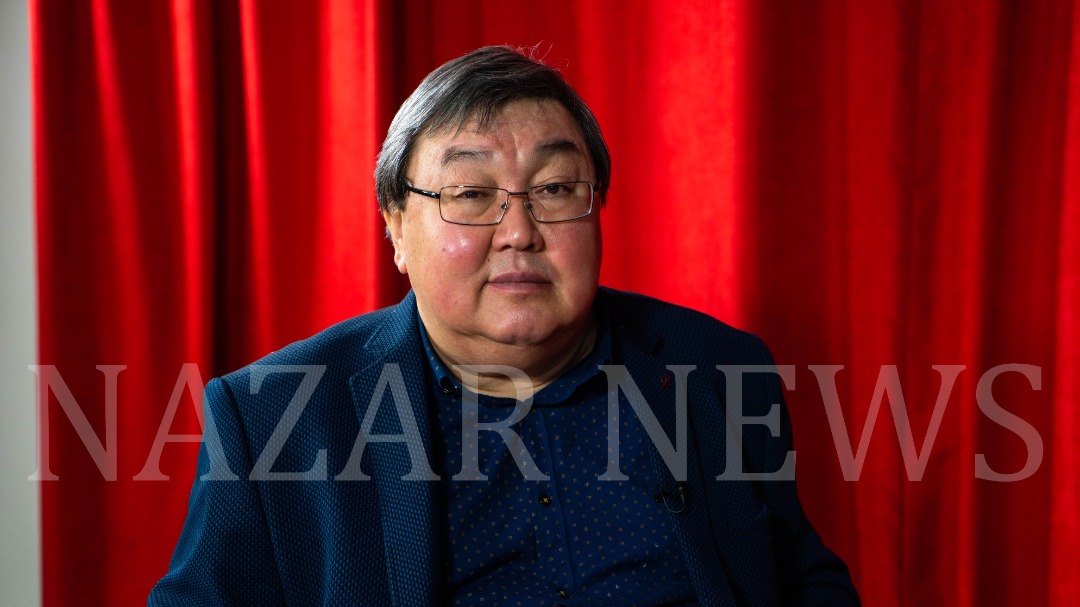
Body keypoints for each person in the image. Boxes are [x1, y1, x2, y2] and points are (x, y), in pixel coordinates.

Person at [150, 46, 859, 606]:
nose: (519, 231)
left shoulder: (719, 370)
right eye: (471, 194)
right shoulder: (273, 415)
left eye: (554, 189)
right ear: (395, 227)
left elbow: (802, 580)